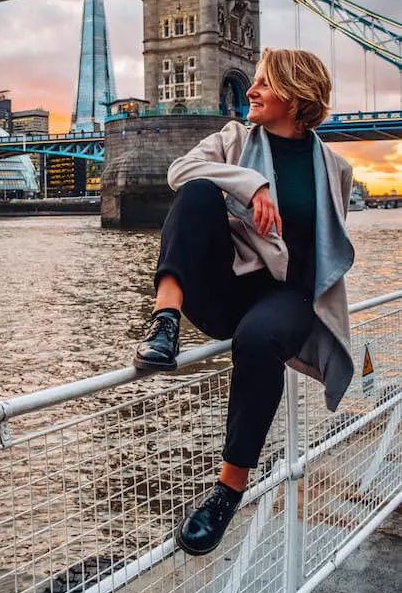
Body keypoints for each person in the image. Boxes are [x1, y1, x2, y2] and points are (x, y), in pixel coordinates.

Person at [134, 47, 355, 556]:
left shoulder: (334, 168)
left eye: (263, 84)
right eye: (251, 81)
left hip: (289, 296)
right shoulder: (234, 139)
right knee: (196, 193)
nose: (248, 91)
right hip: (229, 287)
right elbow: (181, 170)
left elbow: (324, 250)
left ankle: (226, 492)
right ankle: (164, 324)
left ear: (297, 95)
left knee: (258, 342)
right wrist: (253, 185)